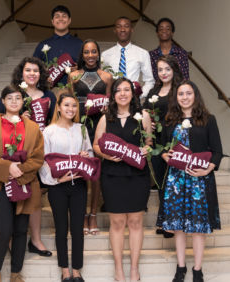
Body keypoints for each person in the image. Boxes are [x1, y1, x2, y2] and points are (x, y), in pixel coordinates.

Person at [0, 85, 44, 282]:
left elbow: (38, 157)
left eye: (18, 98)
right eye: (10, 98)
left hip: (25, 183)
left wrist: (20, 170)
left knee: (21, 230)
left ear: (23, 102)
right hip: (0, 184)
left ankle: (16, 273)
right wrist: (7, 167)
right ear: (3, 101)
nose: (14, 101)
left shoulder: (32, 127)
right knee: (4, 230)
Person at [160, 80, 222, 282]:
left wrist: (206, 171)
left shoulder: (208, 120)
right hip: (176, 181)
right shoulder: (169, 120)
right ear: (176, 98)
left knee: (197, 228)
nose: (184, 97)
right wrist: (165, 156)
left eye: (188, 93)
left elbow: (217, 151)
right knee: (178, 227)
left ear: (195, 95)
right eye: (180, 94)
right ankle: (180, 268)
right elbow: (162, 148)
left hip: (198, 181)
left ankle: (197, 269)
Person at [0, 57, 55, 257]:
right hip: (13, 154)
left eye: (35, 71)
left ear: (41, 74)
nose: (32, 74)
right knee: (12, 191)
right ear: (22, 73)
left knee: (35, 195)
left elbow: (54, 122)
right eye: (28, 70)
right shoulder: (12, 95)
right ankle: (10, 237)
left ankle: (35, 240)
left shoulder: (48, 96)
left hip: (38, 152)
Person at [93, 78, 152, 282]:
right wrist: (106, 155)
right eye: (119, 90)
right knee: (117, 222)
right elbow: (96, 145)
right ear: (113, 95)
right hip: (112, 175)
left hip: (137, 176)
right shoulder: (105, 118)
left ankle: (134, 269)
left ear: (132, 94)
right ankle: (119, 270)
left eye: (127, 90)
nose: (123, 94)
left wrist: (147, 149)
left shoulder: (143, 116)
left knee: (135, 221)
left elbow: (149, 143)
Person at [39, 93, 92, 282]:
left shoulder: (82, 129)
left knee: (77, 228)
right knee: (61, 228)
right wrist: (56, 181)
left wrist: (86, 154)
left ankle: (76, 269)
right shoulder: (49, 132)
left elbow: (90, 152)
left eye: (74, 106)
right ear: (59, 108)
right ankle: (64, 269)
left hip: (78, 184)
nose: (71, 109)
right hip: (58, 186)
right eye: (67, 105)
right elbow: (43, 162)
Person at [69, 38, 113, 236]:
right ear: (82, 54)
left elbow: (110, 105)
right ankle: (79, 214)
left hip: (98, 126)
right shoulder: (73, 76)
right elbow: (69, 103)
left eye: (94, 51)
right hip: (78, 125)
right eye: (86, 52)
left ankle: (93, 213)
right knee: (79, 168)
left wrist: (106, 108)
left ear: (98, 53)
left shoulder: (106, 77)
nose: (90, 56)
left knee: (95, 171)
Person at [142, 55, 183, 238]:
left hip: (175, 140)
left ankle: (172, 221)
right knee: (160, 181)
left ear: (174, 69)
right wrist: (147, 123)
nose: (164, 73)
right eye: (160, 70)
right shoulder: (153, 91)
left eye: (167, 69)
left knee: (172, 182)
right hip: (158, 142)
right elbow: (145, 111)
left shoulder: (181, 90)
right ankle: (164, 220)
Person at [102, 17, 155, 99]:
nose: (122, 29)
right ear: (115, 30)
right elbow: (103, 81)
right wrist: (108, 97)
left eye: (126, 26)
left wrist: (138, 95)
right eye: (119, 26)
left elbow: (150, 81)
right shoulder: (105, 55)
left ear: (131, 30)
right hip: (112, 101)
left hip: (134, 102)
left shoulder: (143, 53)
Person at [33, 5, 82, 85]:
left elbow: (89, 68)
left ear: (69, 20)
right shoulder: (42, 45)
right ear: (52, 21)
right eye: (57, 16)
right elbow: (33, 68)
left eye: (64, 16)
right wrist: (43, 75)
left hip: (74, 90)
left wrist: (79, 69)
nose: (61, 19)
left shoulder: (80, 44)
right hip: (48, 91)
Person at [149, 17, 189, 82]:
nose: (164, 31)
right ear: (157, 33)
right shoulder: (151, 55)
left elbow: (185, 78)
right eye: (161, 29)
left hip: (177, 90)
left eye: (167, 29)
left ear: (172, 33)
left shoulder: (181, 53)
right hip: (158, 91)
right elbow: (151, 79)